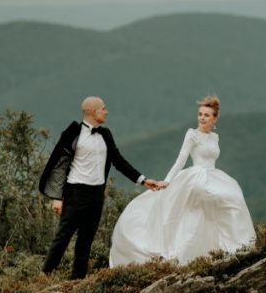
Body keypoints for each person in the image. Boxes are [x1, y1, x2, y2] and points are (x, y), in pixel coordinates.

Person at [109, 95, 255, 267]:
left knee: (232, 200)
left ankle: (229, 248)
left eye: (206, 115)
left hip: (214, 175)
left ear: (215, 118)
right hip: (196, 177)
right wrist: (167, 181)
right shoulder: (192, 134)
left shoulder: (215, 137)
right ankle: (186, 255)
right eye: (200, 114)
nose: (202, 117)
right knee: (194, 216)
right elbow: (181, 159)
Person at [38, 96, 166, 279]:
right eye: (103, 109)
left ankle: (77, 279)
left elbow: (119, 162)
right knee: (63, 236)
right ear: (92, 111)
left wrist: (144, 180)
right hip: (76, 192)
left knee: (86, 239)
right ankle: (45, 275)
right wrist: (57, 198)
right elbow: (59, 165)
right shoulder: (73, 133)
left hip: (97, 194)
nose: (106, 112)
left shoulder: (105, 134)